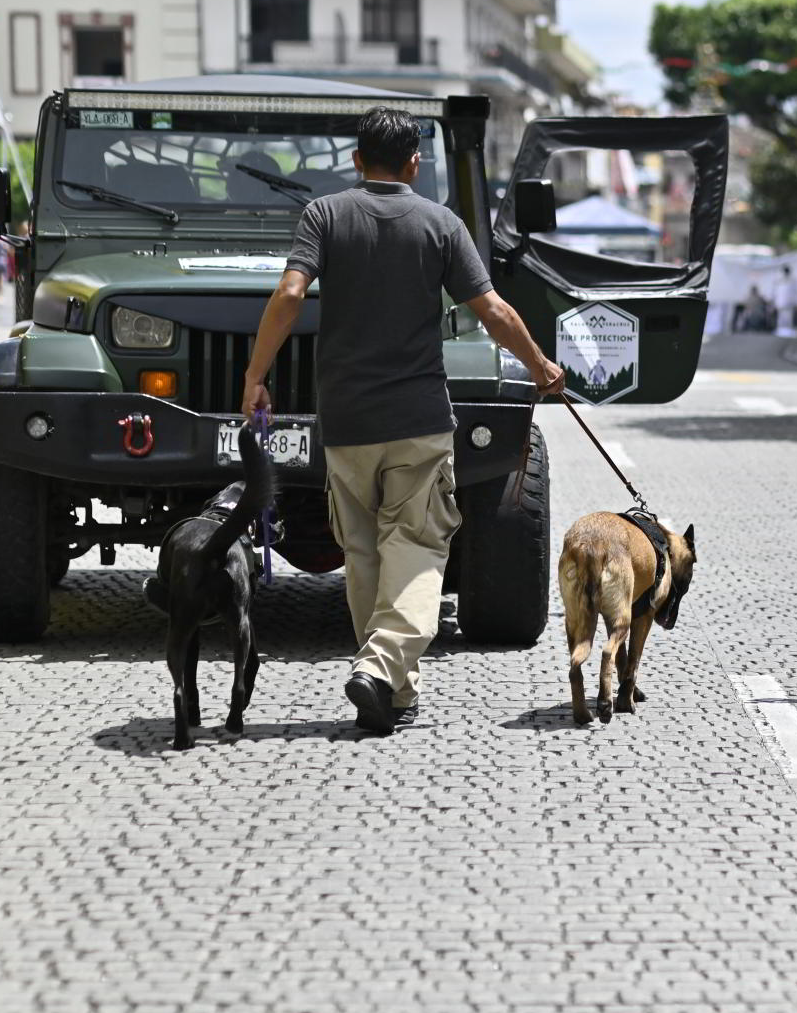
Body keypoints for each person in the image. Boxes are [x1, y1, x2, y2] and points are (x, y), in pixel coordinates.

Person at [241, 107, 566, 735]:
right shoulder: (440, 224)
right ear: (415, 162)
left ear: (357, 160)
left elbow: (287, 295)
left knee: (362, 553)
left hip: (346, 422)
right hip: (417, 418)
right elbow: (493, 310)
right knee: (416, 549)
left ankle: (394, 691)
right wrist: (540, 365)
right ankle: (380, 666)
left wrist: (257, 376)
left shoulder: (325, 215)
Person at [772, 265, 797, 338]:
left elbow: (775, 292)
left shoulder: (780, 281)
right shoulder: (791, 280)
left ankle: (782, 330)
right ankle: (785, 330)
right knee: (787, 317)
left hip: (782, 302)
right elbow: (796, 292)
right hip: (787, 302)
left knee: (783, 317)